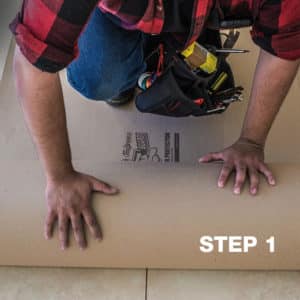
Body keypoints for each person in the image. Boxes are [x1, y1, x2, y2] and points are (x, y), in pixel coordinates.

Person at [10, 0, 300, 250]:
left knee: (196, 59)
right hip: (116, 14)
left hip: (197, 12)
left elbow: (284, 44)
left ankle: (186, 40)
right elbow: (33, 64)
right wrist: (60, 176)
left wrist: (251, 142)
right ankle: (137, 61)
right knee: (97, 78)